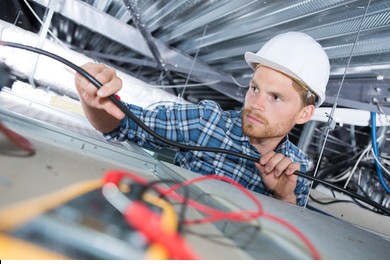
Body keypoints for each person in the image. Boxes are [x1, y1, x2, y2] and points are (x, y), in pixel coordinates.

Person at [75, 32, 330, 206]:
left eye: (275, 97)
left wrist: (285, 197)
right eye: (254, 89)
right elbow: (125, 125)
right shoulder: (206, 122)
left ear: (304, 113)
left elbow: (287, 246)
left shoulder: (295, 171)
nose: (256, 104)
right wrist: (93, 97)